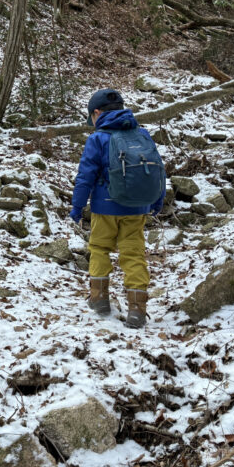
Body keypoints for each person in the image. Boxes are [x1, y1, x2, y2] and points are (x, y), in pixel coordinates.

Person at [69, 88, 164, 328]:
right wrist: (157, 200)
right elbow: (158, 169)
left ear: (97, 113)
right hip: (137, 208)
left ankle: (99, 299)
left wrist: (77, 207)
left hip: (105, 208)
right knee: (133, 254)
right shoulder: (141, 134)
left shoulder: (98, 138)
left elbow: (85, 177)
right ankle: (137, 311)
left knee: (99, 249)